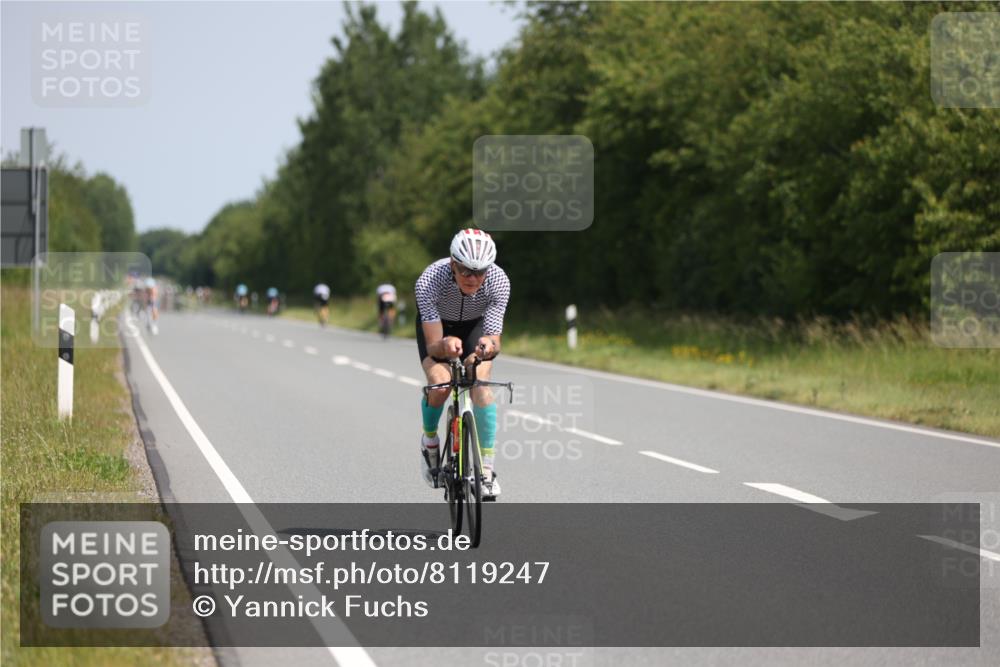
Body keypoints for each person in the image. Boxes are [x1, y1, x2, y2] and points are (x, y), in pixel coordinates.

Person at [415, 229, 509, 497]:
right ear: (453, 264)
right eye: (466, 271)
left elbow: (493, 339)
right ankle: (430, 441)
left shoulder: (499, 281)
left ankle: (487, 471)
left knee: (480, 384)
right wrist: (444, 345)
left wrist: (486, 347)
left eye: (480, 272)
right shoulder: (430, 280)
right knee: (440, 383)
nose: (473, 278)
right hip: (438, 329)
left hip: (474, 326)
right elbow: (433, 344)